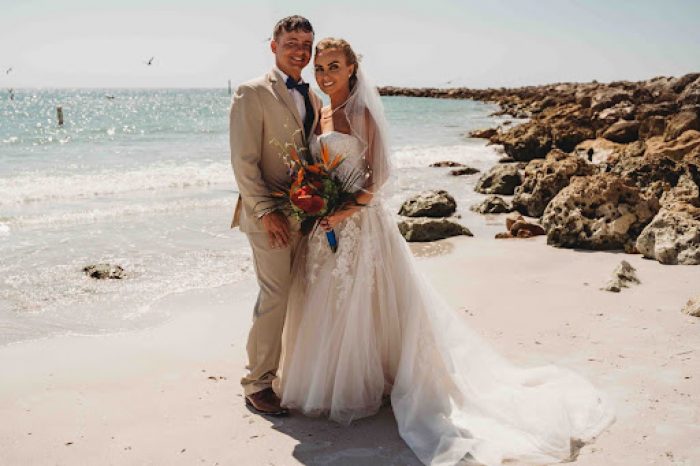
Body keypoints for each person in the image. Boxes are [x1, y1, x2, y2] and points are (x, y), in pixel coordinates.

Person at [275, 38, 615, 466]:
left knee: (365, 302)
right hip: (327, 228)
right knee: (331, 302)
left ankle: (369, 383)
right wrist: (315, 203)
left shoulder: (360, 113)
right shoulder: (320, 110)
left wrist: (339, 214)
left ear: (352, 69)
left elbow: (377, 179)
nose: (325, 76)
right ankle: (331, 384)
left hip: (359, 226)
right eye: (320, 68)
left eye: (334, 67)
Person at [229, 15, 321, 416]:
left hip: (307, 213)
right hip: (268, 215)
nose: (300, 51)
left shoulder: (313, 96)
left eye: (307, 44)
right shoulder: (251, 93)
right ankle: (257, 383)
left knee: (301, 294)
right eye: (291, 43)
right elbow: (244, 162)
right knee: (275, 295)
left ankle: (292, 373)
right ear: (273, 46)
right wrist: (267, 212)